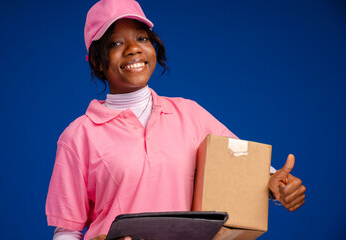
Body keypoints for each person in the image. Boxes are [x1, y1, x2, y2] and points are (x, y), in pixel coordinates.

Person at [45, 0, 306, 239]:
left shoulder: (189, 114)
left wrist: (275, 186)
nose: (133, 49)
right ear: (97, 62)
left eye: (141, 38)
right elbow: (66, 231)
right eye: (115, 43)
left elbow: (240, 168)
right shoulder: (79, 136)